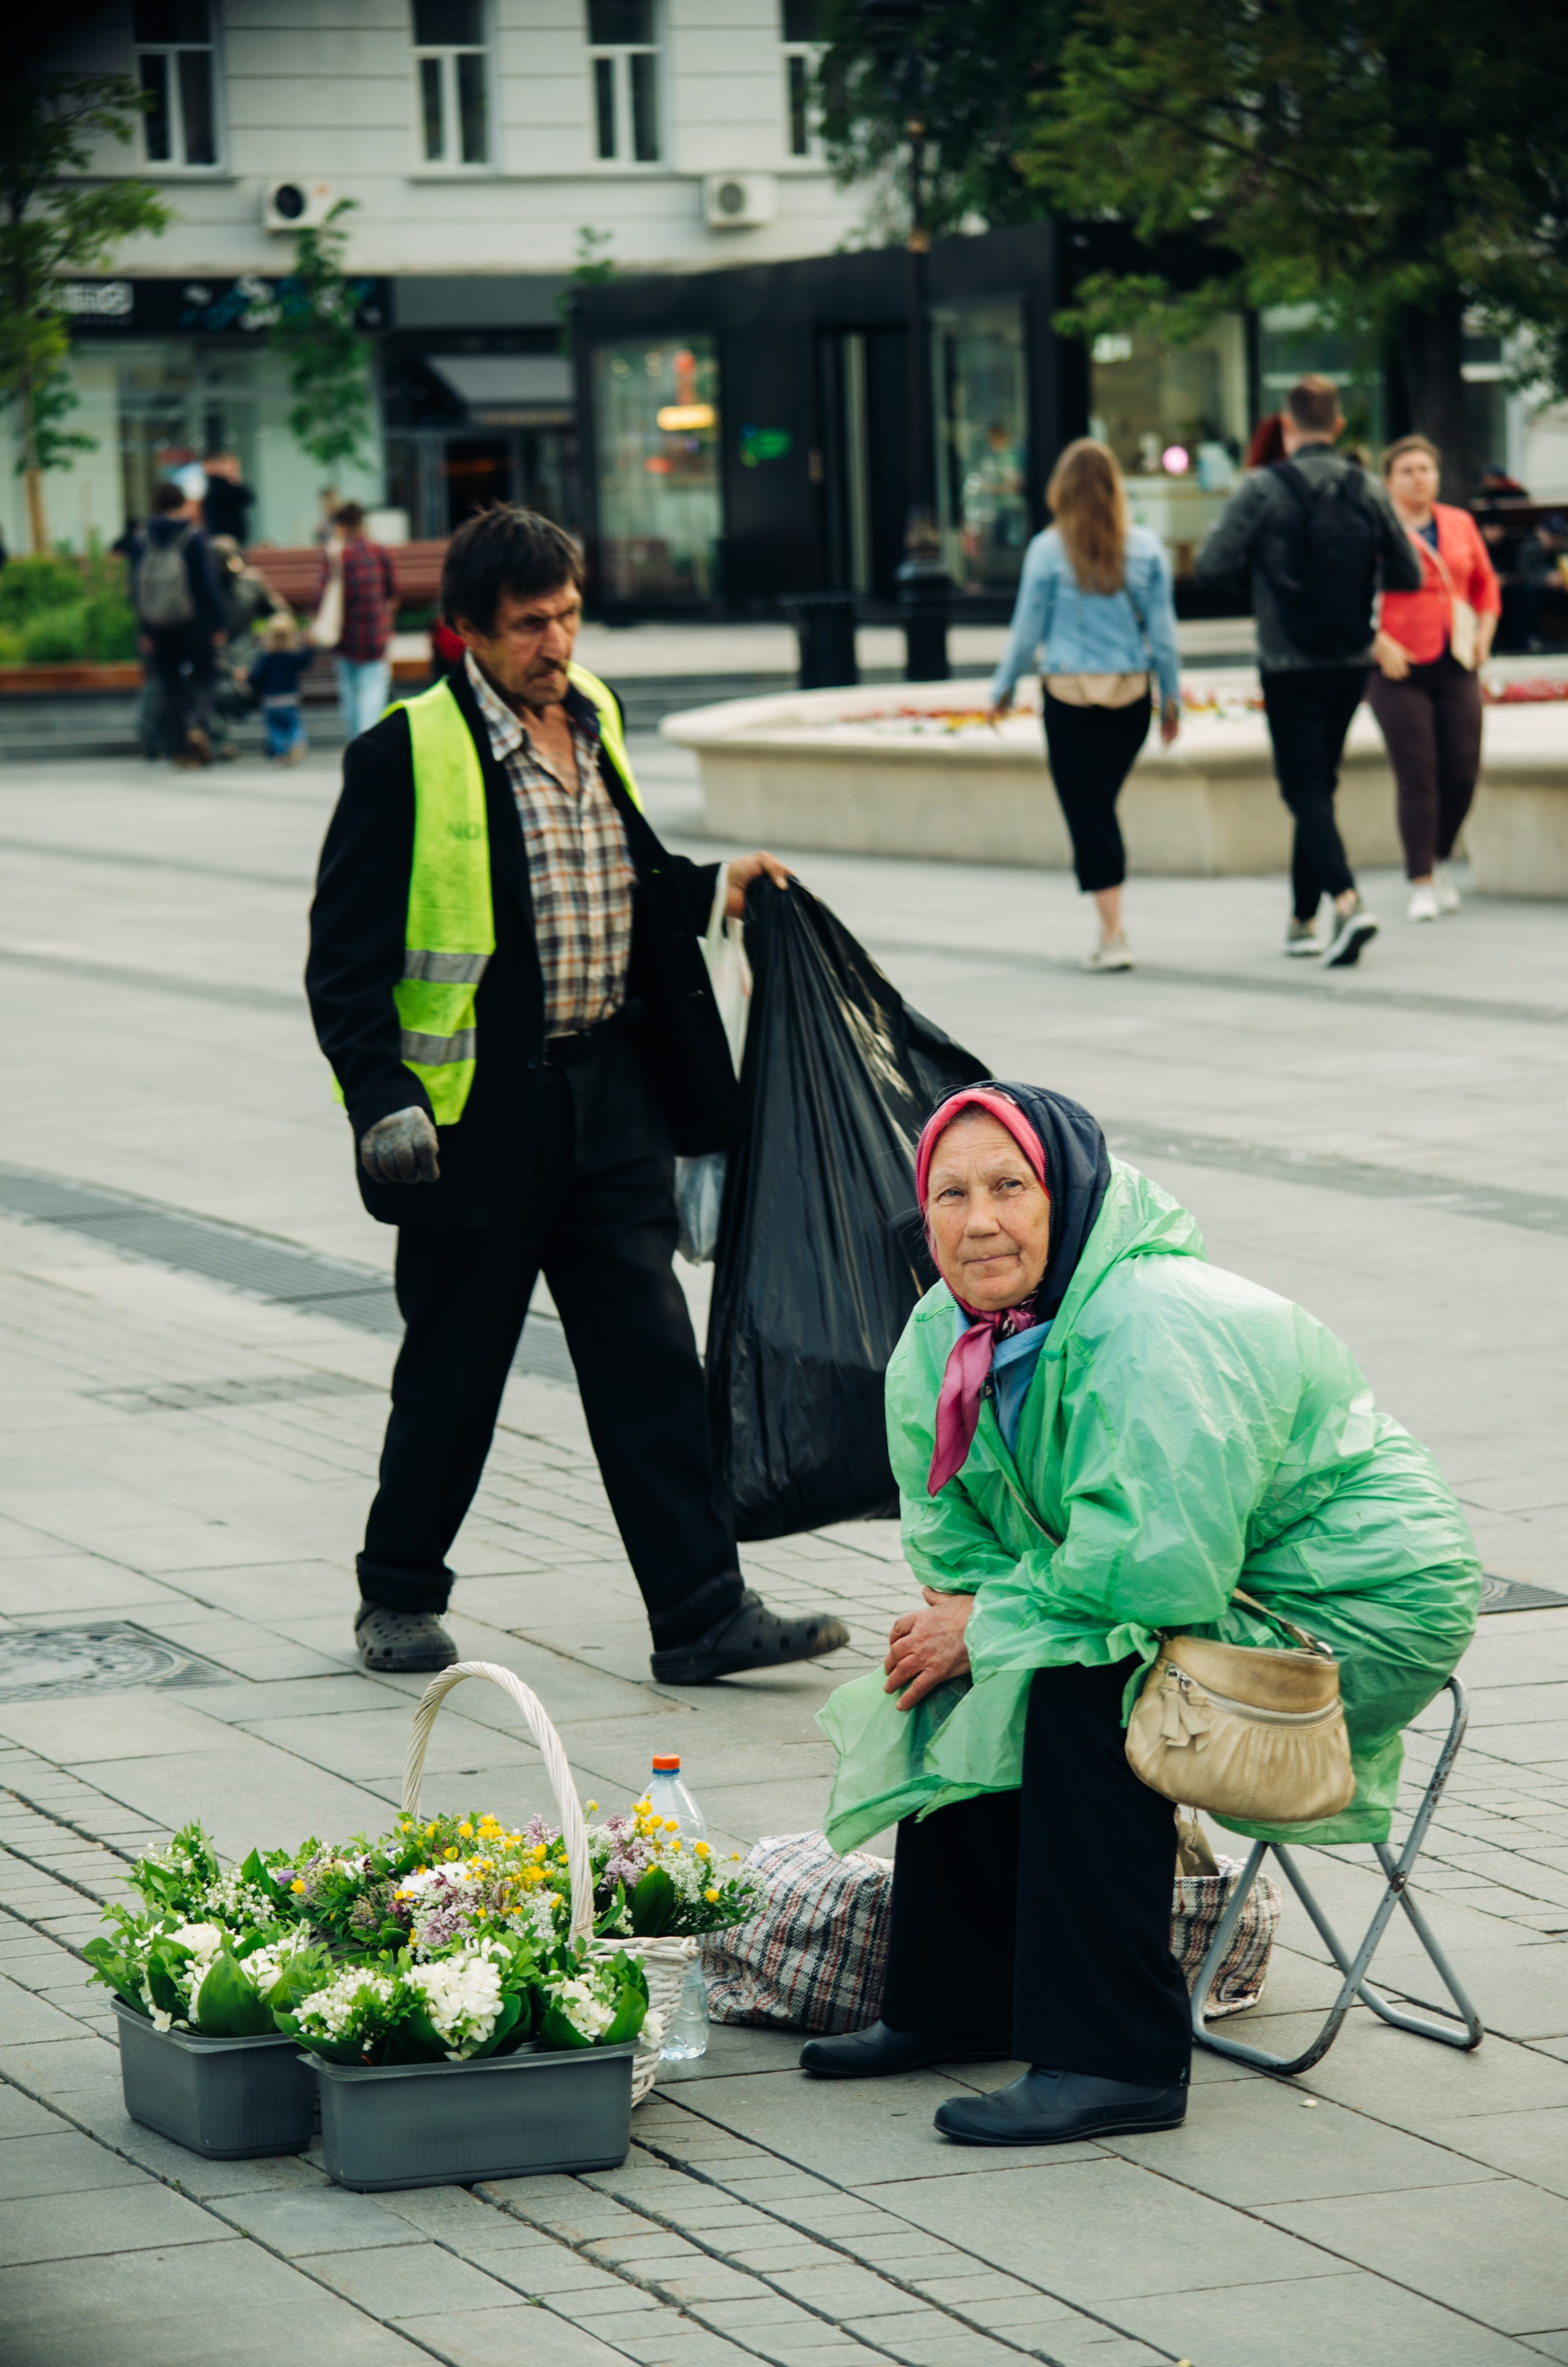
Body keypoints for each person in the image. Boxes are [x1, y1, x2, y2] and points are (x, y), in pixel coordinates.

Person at [805, 1084, 1480, 2144]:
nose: (978, 1220)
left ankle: (1113, 2056)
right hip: (1192, 1575)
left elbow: (1156, 1569)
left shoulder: (1149, 1317)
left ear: (1063, 1192)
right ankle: (959, 1999)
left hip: (1350, 1600)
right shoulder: (947, 1325)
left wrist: (992, 1620)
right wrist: (975, 1621)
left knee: (1088, 1688)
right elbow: (948, 1528)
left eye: (1008, 1187)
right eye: (950, 1193)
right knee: (969, 1668)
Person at [306, 504, 851, 1682]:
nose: (557, 643)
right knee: (454, 1372)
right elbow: (343, 966)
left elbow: (627, 877)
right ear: (464, 632)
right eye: (528, 626)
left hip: (611, 1105)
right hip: (476, 1132)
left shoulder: (592, 716)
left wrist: (718, 886)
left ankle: (703, 1612)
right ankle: (396, 1593)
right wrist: (380, 1094)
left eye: (567, 613)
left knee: (654, 1364)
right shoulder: (403, 756)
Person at [1195, 376, 1421, 965]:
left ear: (1286, 424)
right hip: (1350, 659)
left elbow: (1211, 563)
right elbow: (1408, 573)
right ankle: (1301, 920)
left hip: (1287, 658)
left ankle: (1347, 904)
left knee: (1304, 787)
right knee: (1318, 784)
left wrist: (1267, 583)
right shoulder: (1367, 487)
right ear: (1339, 424)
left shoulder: (1262, 489)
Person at [988, 439, 1182, 972]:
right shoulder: (1147, 549)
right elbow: (1164, 638)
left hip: (1069, 697)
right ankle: (1110, 927)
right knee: (1100, 807)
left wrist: (1002, 690)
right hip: (1130, 700)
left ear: (1061, 490)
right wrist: (1172, 704)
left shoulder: (1047, 551)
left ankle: (1113, 934)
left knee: (1089, 811)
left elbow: (1026, 633)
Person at [1367, 436, 1500, 921]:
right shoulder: (1375, 528)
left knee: (1463, 772)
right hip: (1397, 668)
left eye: (1426, 469)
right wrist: (1377, 639)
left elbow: (1485, 585)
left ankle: (1439, 857)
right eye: (1407, 471)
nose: (1419, 478)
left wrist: (1485, 632)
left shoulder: (1459, 523)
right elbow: (1350, 595)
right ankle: (1420, 879)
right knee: (1417, 776)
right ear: (1389, 481)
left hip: (1457, 659)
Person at [131, 480, 227, 768]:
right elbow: (206, 585)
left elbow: (135, 588)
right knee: (204, 678)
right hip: (194, 622)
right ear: (182, 503)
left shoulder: (141, 539)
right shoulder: (193, 536)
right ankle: (197, 724)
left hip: (158, 624)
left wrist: (144, 629)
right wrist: (217, 622)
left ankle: (178, 749)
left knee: (169, 684)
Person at [315, 502, 399, 741]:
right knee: (373, 692)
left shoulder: (336, 554)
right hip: (376, 636)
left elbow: (322, 595)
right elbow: (393, 593)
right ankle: (368, 744)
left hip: (345, 636)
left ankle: (357, 744)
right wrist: (386, 625)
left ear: (341, 526)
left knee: (351, 694)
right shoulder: (380, 551)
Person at [249, 611, 312, 762]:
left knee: (275, 729)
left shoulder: (265, 658)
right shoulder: (292, 657)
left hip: (270, 700)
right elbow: (305, 661)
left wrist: (247, 678)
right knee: (293, 725)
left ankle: (281, 753)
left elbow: (255, 678)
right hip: (289, 698)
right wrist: (311, 646)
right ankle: (297, 742)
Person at [202, 452, 256, 545]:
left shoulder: (227, 485)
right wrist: (235, 482)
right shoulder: (218, 485)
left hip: (232, 533)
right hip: (223, 534)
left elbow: (248, 499)